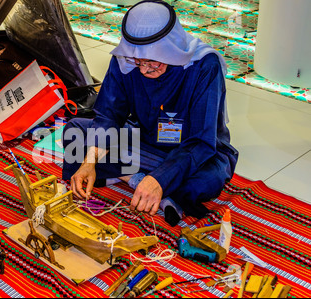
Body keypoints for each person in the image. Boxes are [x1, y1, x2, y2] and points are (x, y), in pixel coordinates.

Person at [61, 0, 238, 226]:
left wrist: (160, 178)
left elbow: (201, 143)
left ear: (172, 49)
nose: (144, 69)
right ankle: (143, 183)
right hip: (147, 144)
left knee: (208, 179)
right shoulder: (125, 62)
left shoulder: (204, 66)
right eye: (139, 61)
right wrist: (89, 161)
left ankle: (138, 179)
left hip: (195, 154)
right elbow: (108, 116)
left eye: (153, 61)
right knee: (75, 133)